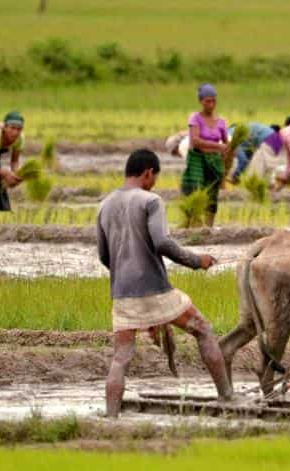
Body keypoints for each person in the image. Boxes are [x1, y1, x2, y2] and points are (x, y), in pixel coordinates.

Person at [97, 149, 233, 418]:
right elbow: (162, 242)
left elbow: (104, 255)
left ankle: (111, 417)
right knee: (204, 330)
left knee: (121, 357)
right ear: (148, 172)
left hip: (122, 294)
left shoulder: (105, 205)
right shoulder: (151, 201)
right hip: (155, 289)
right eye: (154, 177)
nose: (154, 183)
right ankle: (227, 397)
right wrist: (197, 260)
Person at [181, 83, 228, 227]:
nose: (211, 104)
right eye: (208, 101)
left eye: (214, 100)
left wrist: (227, 156)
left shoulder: (221, 122)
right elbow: (195, 141)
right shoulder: (195, 118)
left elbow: (227, 144)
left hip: (214, 162)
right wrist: (218, 146)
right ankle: (194, 224)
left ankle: (209, 228)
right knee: (196, 189)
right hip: (197, 159)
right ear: (201, 101)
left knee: (212, 194)